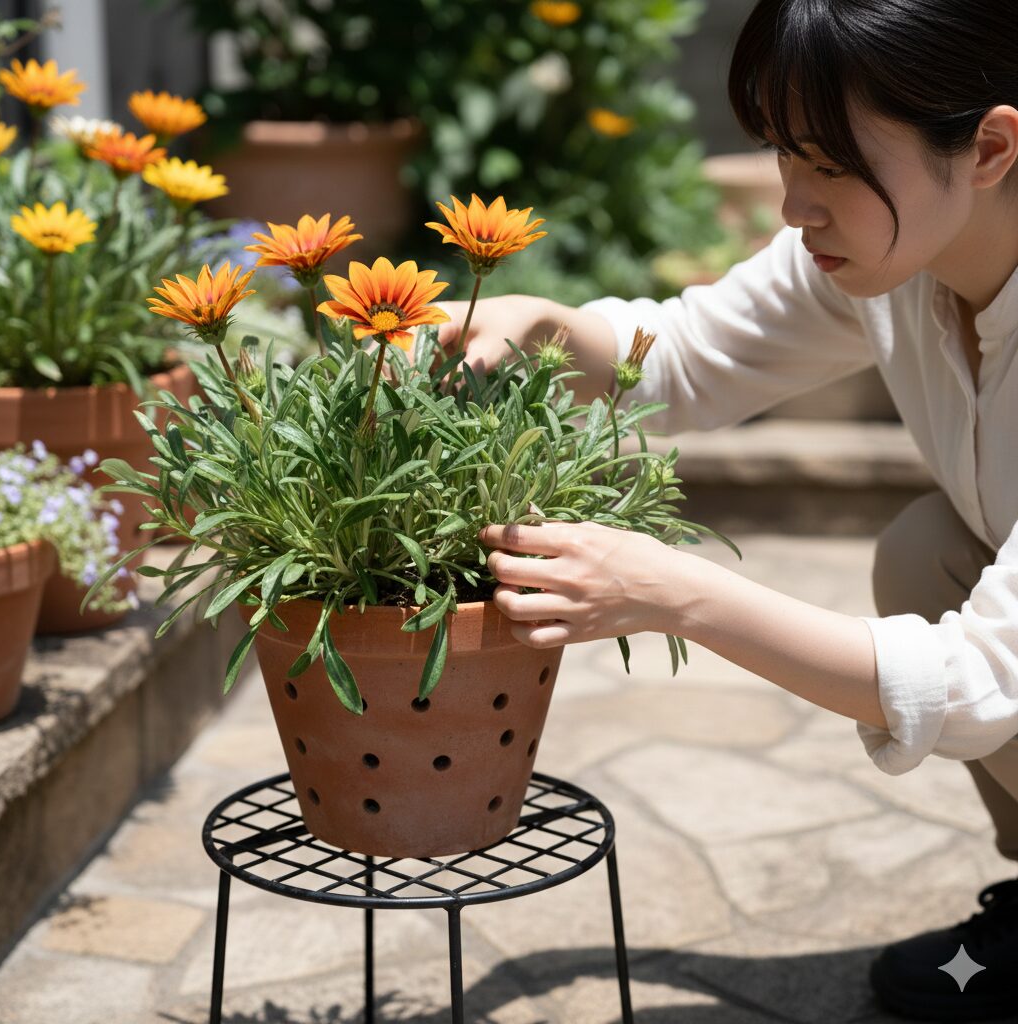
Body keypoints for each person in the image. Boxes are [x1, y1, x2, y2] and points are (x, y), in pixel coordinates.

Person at [435, 1, 1018, 1020]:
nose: (796, 206)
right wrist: (538, 325)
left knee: (948, 613)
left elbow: (982, 679)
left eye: (830, 163)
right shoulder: (895, 267)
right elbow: (692, 356)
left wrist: (675, 593)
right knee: (927, 552)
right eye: (784, 155)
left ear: (990, 147)